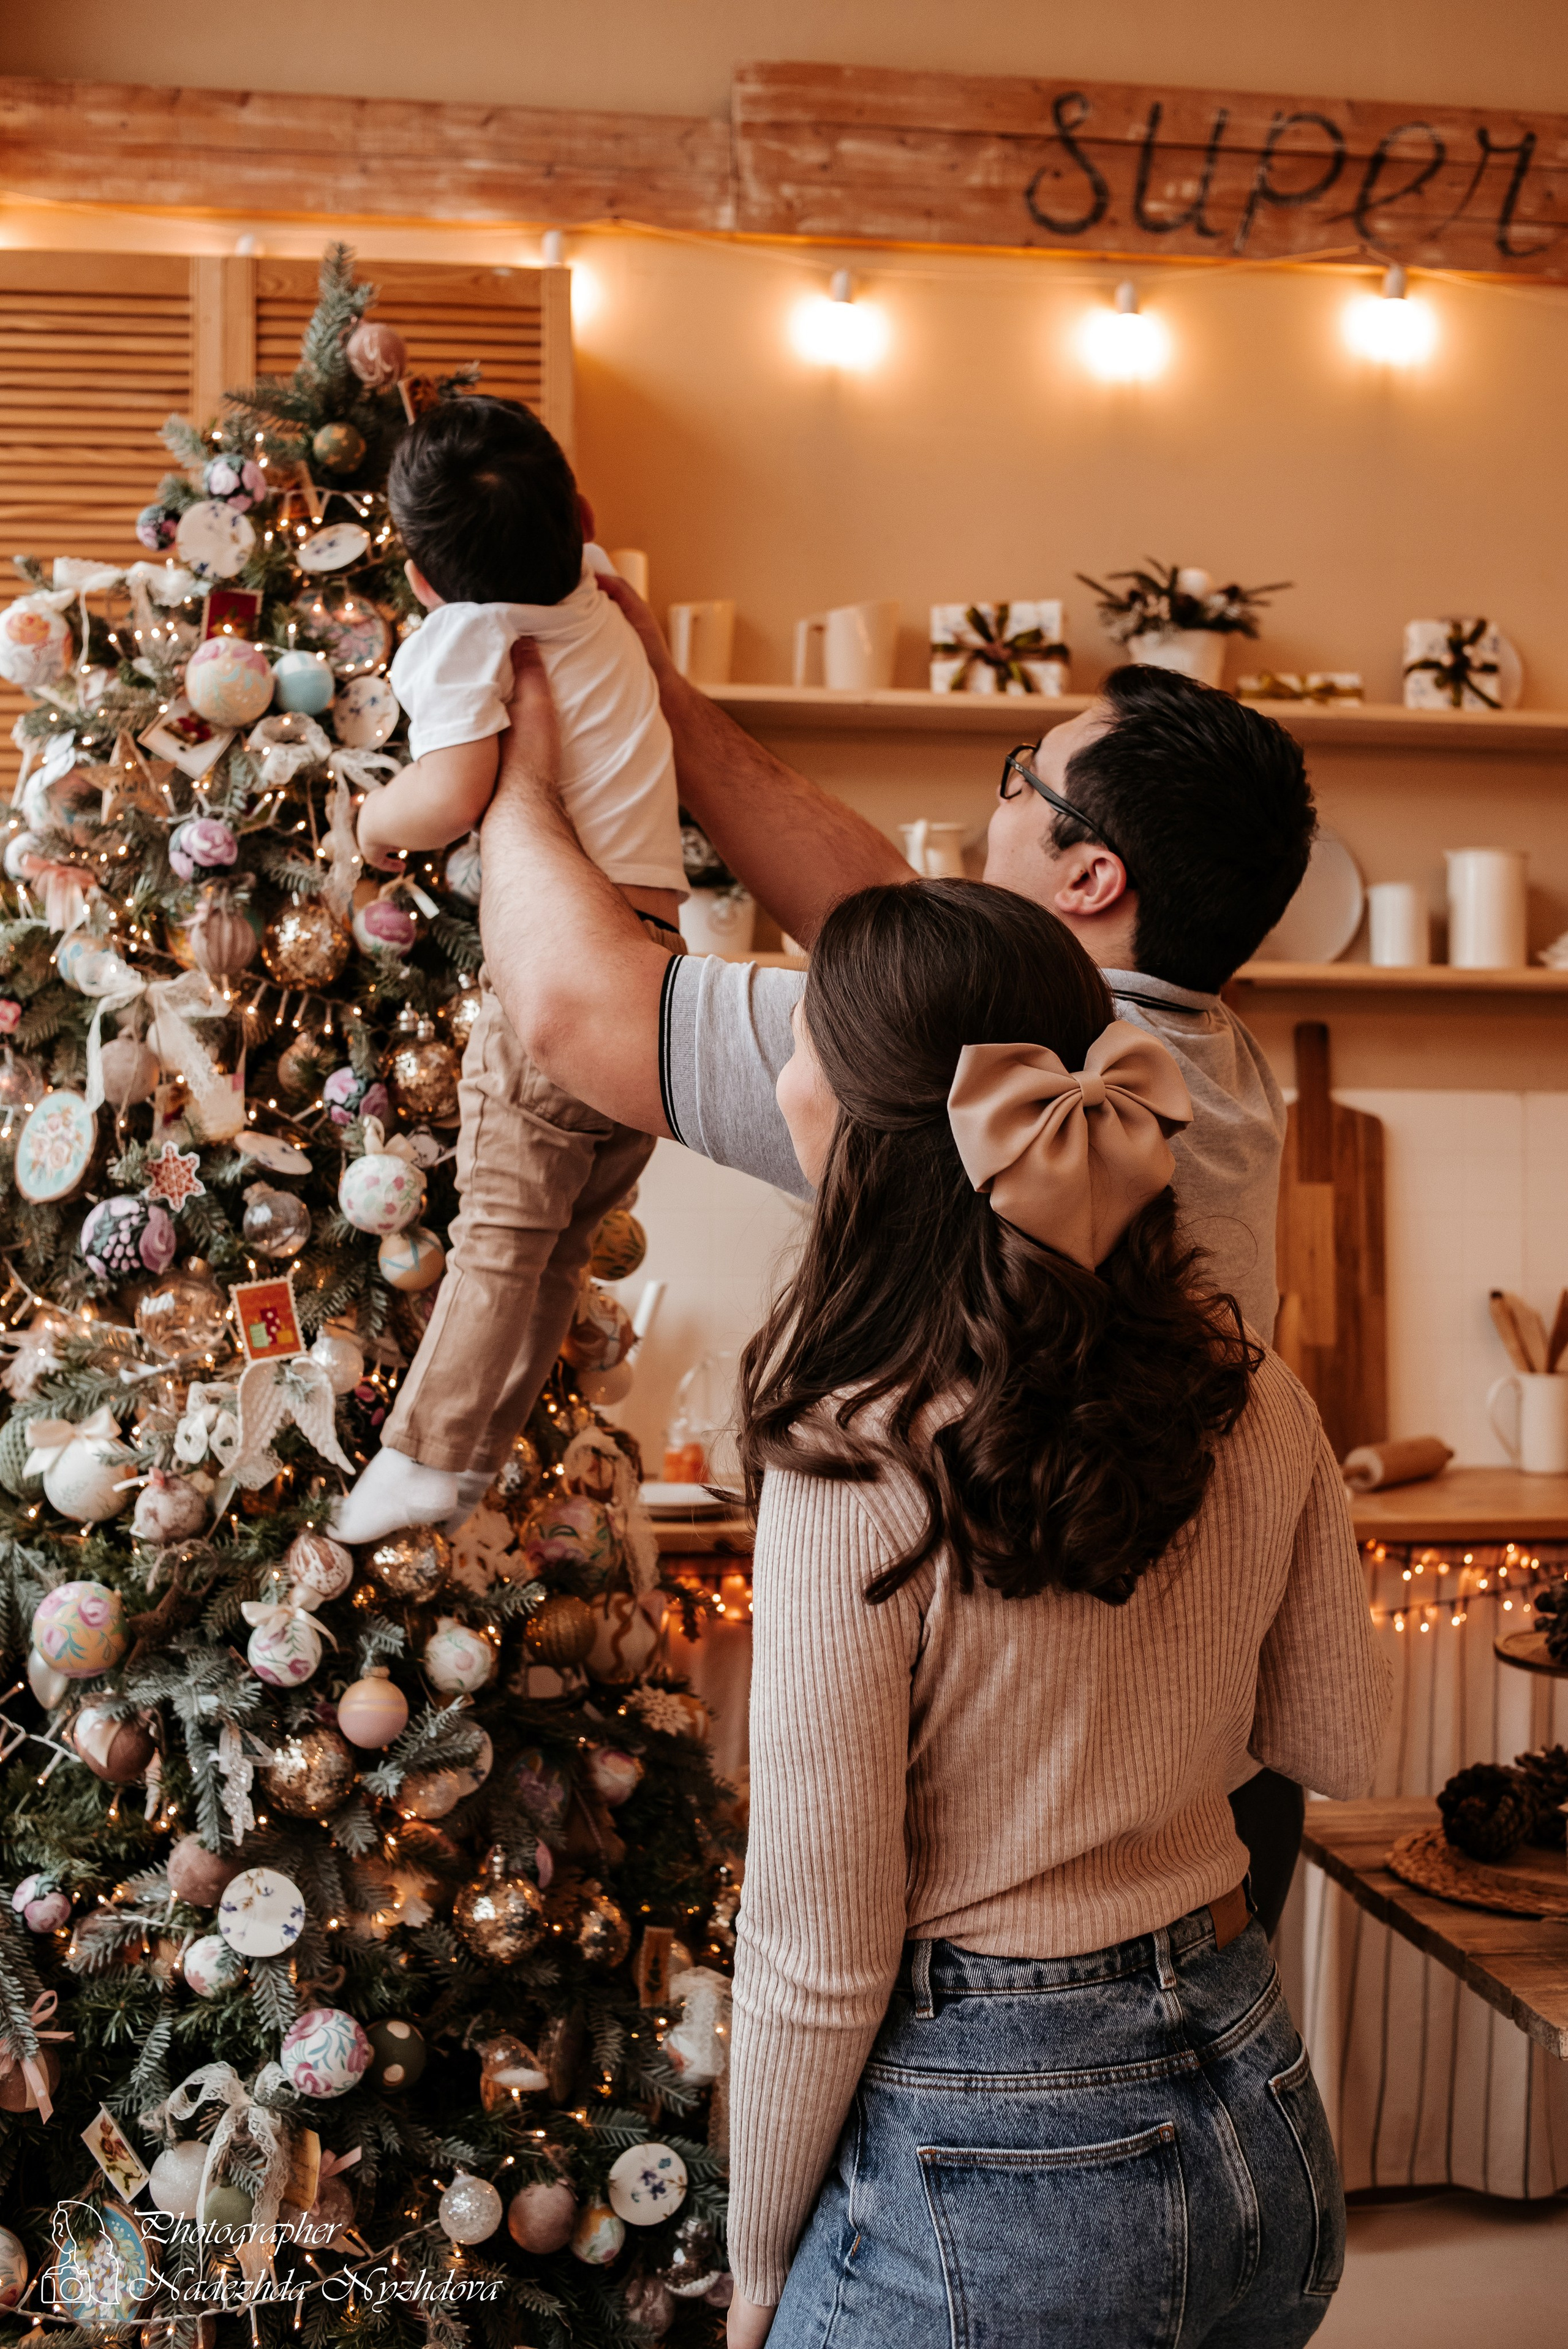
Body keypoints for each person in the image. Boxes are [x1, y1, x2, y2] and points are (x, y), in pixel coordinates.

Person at [478, 603, 1319, 1931]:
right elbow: (881, 915)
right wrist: (663, 694)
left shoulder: (983, 1076)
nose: (989, 806)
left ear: (1088, 875)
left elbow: (572, 1002)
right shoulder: (1195, 1050)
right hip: (1188, 1807)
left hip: (1009, 1853)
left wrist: (511, 766)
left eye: (1017, 782)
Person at [723, 879, 1391, 2345]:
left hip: (1002, 2145)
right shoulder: (1252, 1387)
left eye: (798, 1035)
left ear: (852, 1115)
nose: (779, 1066)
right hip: (1254, 2089)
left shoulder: (856, 1452)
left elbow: (815, 1944)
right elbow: (1336, 1733)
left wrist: (758, 2259)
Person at [333, 396, 687, 1544]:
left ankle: (429, 1453)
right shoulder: (599, 594)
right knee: (558, 1246)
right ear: (578, 518)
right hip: (660, 984)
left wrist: (368, 826)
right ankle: (473, 1454)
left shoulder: (468, 639)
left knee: (500, 1232)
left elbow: (446, 796)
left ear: (423, 582)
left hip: (565, 972)